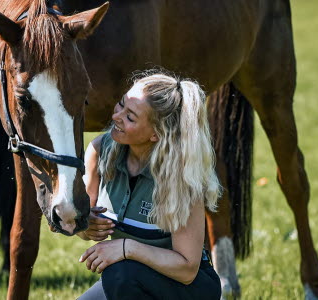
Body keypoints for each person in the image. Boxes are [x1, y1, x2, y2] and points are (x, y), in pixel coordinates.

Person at [77, 72, 222, 300]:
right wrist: (86, 227)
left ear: (156, 133)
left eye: (130, 117)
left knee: (119, 274)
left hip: (187, 288)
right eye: (121, 104)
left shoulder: (182, 176)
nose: (117, 116)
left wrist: (127, 248)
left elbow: (187, 269)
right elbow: (84, 227)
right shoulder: (98, 151)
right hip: (129, 280)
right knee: (120, 276)